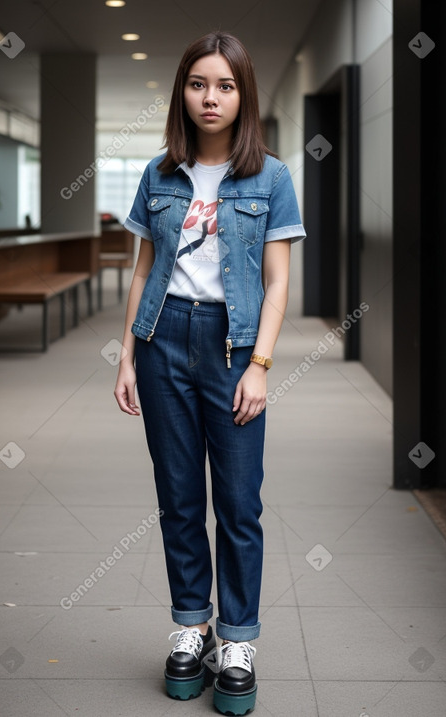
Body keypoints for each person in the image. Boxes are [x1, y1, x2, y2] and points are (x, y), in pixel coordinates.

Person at [114, 30, 305, 716]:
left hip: (231, 348)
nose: (211, 96)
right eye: (199, 83)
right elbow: (143, 270)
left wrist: (260, 366)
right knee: (178, 497)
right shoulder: (160, 174)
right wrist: (130, 353)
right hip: (165, 340)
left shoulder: (271, 177)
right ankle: (191, 625)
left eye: (225, 85)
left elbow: (278, 282)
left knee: (239, 502)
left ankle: (239, 639)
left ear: (242, 94)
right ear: (182, 93)